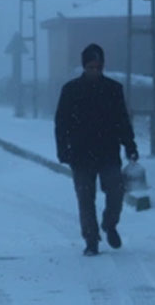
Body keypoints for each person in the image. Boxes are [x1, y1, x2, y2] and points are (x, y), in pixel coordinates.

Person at [54, 43, 139, 256]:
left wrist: (130, 146)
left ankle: (110, 224)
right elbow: (61, 123)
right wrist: (63, 150)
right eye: (91, 67)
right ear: (84, 67)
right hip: (80, 154)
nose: (95, 71)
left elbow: (122, 121)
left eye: (98, 67)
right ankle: (91, 240)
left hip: (108, 152)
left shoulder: (113, 89)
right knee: (85, 199)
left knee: (116, 193)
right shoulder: (71, 90)